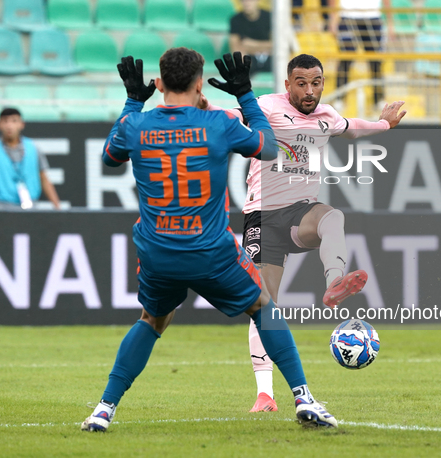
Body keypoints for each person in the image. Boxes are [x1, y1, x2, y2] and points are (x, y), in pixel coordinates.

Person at [81, 50, 338, 432]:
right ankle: (303, 398)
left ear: (160, 84)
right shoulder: (217, 123)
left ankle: (104, 408)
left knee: (152, 320)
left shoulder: (137, 125)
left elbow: (108, 156)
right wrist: (246, 96)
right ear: (200, 84)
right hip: (211, 252)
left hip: (158, 250)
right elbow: (268, 148)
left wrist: (133, 100)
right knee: (265, 308)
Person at [205, 53, 406, 412]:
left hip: (300, 213)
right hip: (262, 216)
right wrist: (204, 105)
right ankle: (265, 394)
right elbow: (233, 117)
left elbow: (353, 127)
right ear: (288, 85)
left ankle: (334, 284)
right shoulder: (266, 106)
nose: (309, 91)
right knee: (265, 305)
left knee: (332, 217)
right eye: (301, 83)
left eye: (316, 83)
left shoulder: (326, 116)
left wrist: (384, 125)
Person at [0, 107, 60, 210]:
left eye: (14, 121)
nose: (9, 126)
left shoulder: (34, 148)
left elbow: (44, 178)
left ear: (22, 124)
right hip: (0, 207)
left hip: (30, 206)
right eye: (5, 121)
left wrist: (57, 207)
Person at [328, 0, 394, 107]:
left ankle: (378, 99)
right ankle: (339, 98)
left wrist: (390, 23)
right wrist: (333, 19)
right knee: (345, 60)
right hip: (347, 16)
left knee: (375, 61)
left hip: (372, 16)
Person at [229, 0, 271, 75]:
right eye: (244, 1)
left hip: (269, 57)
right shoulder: (235, 20)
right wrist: (266, 46)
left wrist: (250, 44)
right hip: (249, 59)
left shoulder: (270, 17)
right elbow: (235, 49)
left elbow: (278, 45)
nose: (247, 3)